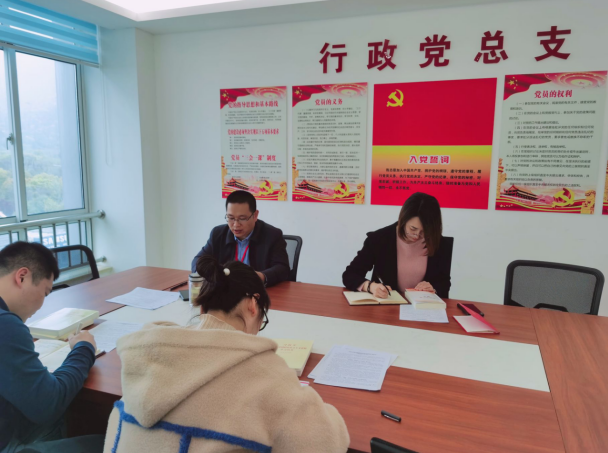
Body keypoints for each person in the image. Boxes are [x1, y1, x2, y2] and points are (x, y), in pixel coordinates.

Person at [105, 255, 350, 453]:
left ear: (203, 308)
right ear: (253, 305)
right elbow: (328, 443)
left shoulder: (151, 351)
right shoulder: (264, 373)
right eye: (262, 320)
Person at [0, 242, 104, 453]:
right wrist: (83, 348)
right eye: (45, 293)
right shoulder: (6, 325)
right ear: (22, 277)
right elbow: (48, 405)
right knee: (114, 440)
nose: (41, 305)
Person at [343, 192, 453, 298]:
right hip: (387, 304)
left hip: (423, 307)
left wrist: (433, 289)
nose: (417, 235)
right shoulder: (379, 239)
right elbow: (350, 274)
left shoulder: (440, 244)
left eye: (424, 232)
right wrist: (370, 286)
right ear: (403, 220)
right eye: (413, 229)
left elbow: (444, 284)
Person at [191, 190, 290, 287]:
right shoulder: (218, 234)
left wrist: (261, 276)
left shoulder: (272, 235)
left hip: (256, 290)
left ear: (255, 215)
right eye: (231, 218)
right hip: (225, 290)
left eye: (242, 218)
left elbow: (282, 268)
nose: (236, 225)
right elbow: (197, 261)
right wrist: (211, 273)